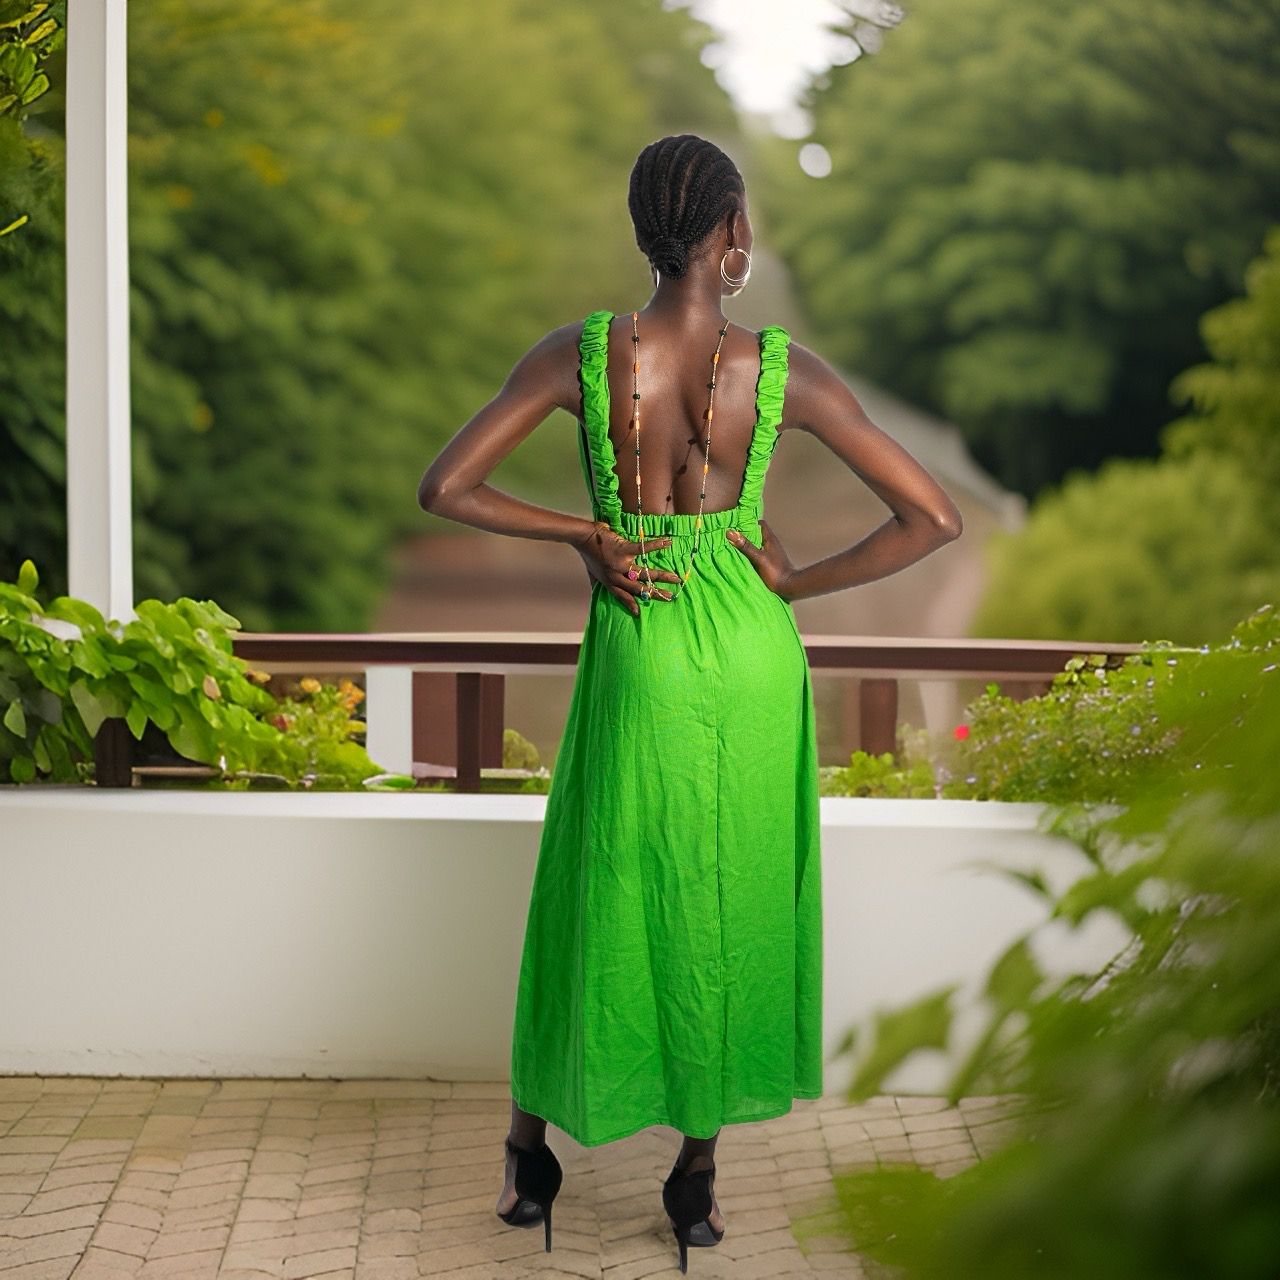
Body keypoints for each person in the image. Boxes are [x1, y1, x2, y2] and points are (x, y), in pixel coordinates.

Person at [417, 133, 962, 1272]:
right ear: (730, 235)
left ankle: (528, 1158)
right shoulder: (787, 372)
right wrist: (798, 580)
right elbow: (932, 520)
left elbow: (449, 484)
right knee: (729, 897)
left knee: (597, 889)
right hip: (753, 653)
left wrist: (587, 532)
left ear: (643, 233)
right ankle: (695, 1181)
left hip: (641, 632)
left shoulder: (579, 354)